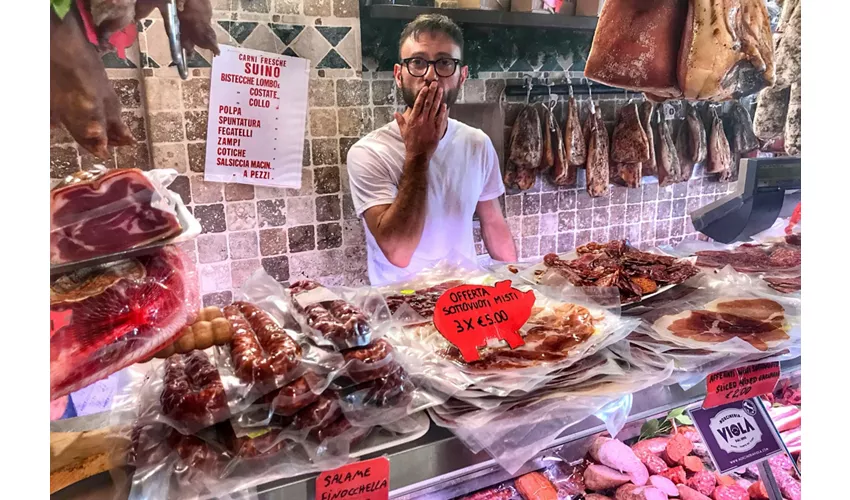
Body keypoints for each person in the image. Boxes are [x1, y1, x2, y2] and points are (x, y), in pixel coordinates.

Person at [347, 14, 517, 285]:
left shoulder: (477, 143)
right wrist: (418, 154)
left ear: (462, 76)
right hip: (402, 306)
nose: (430, 74)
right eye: (417, 62)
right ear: (398, 75)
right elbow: (399, 251)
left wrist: (517, 284)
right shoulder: (368, 153)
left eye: (444, 63)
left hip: (467, 302)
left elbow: (493, 222)